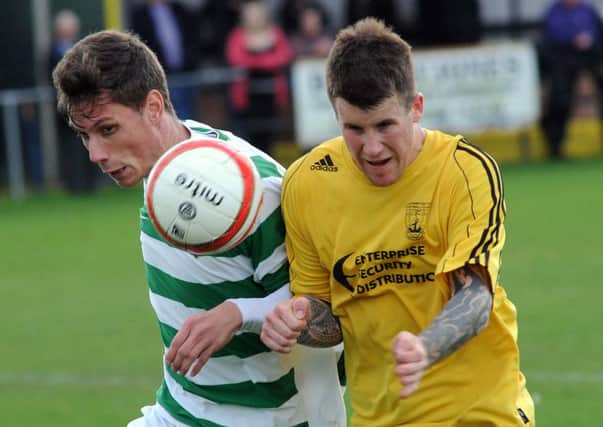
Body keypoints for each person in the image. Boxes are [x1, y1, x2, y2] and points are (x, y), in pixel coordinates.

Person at [52, 29, 345, 427]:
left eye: (107, 130)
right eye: (84, 135)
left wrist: (236, 313)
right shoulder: (164, 171)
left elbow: (321, 307)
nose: (96, 154)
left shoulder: (251, 189)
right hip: (180, 410)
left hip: (258, 418)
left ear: (154, 107)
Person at [261, 18, 535, 426]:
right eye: (353, 128)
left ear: (416, 107)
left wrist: (426, 346)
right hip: (381, 417)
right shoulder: (306, 184)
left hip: (480, 412)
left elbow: (476, 296)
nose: (372, 148)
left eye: (385, 125)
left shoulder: (464, 171)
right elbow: (327, 314)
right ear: (335, 113)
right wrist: (298, 318)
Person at [225, 0, 293, 155]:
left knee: (269, 138)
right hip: (246, 98)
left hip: (271, 97)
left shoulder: (275, 33)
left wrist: (255, 59)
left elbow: (284, 57)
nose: (254, 18)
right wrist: (265, 59)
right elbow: (236, 59)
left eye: (256, 15)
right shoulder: (237, 36)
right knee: (248, 138)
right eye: (250, 15)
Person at [538, 0, 603, 159]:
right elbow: (549, 40)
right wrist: (573, 41)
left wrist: (590, 43)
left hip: (591, 57)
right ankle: (555, 146)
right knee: (560, 100)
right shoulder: (553, 12)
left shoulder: (588, 10)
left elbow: (599, 34)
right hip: (564, 60)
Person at [48, 9, 98, 194]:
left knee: (90, 144)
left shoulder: (83, 49)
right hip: (65, 110)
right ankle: (73, 185)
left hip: (87, 107)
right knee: (70, 148)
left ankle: (90, 185)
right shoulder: (52, 52)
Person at [129, 0, 199, 120]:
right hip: (162, 77)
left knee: (188, 113)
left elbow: (193, 35)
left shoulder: (179, 9)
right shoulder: (140, 16)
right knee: (170, 114)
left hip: (187, 74)